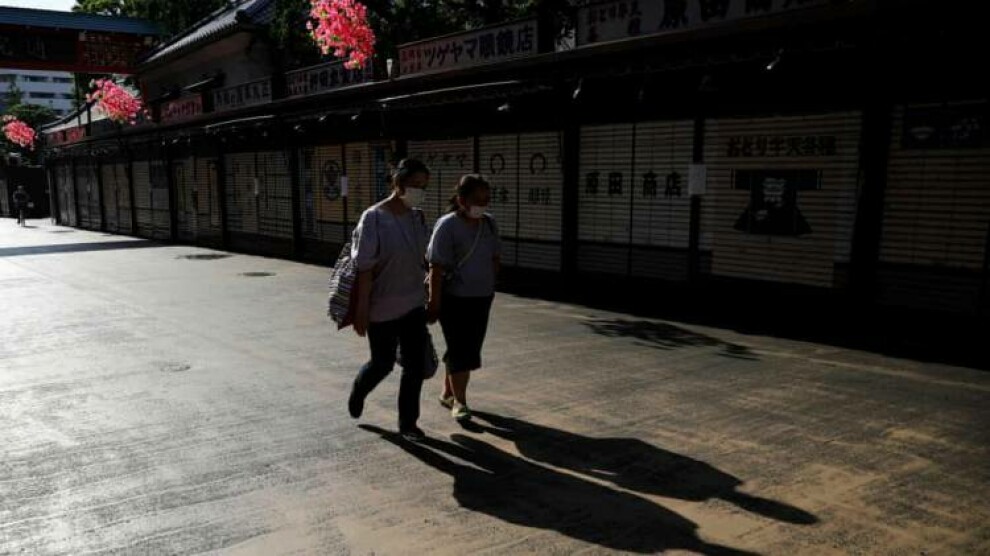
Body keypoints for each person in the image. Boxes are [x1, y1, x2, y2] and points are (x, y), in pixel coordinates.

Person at [348, 158, 432, 441]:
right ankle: (360, 389)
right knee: (382, 363)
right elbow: (364, 268)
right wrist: (361, 309)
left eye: (424, 186)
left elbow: (423, 259)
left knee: (415, 366)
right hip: (382, 306)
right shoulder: (374, 218)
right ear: (398, 183)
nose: (420, 191)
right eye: (415, 184)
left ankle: (408, 424)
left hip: (413, 304)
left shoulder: (417, 217)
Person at [427, 174, 501, 422]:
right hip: (454, 298)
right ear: (461, 200)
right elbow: (436, 266)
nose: (482, 205)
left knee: (468, 347)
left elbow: (495, 257)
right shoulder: (447, 225)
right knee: (462, 349)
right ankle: (460, 402)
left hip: (482, 297)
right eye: (476, 199)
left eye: (486, 200)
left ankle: (448, 392)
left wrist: (491, 283)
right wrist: (434, 302)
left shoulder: (489, 224)